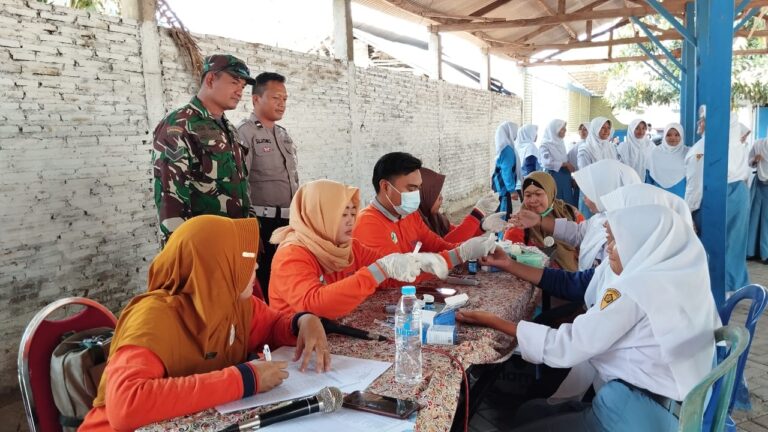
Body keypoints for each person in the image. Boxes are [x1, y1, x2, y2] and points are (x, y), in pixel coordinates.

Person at [458, 205, 719, 431]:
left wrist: (494, 321)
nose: (609, 251)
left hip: (636, 413)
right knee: (531, 412)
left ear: (642, 244)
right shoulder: (676, 278)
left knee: (528, 419)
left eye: (617, 242)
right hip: (669, 407)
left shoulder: (637, 288)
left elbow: (568, 346)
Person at [79, 215, 330, 431]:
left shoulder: (234, 303)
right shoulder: (152, 318)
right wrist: (243, 380)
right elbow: (126, 406)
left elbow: (274, 326)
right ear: (213, 266)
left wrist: (304, 322)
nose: (254, 264)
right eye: (241, 258)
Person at [268, 180, 447, 319]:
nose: (350, 221)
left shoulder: (349, 247)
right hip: (294, 349)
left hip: (334, 333)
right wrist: (380, 270)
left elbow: (388, 271)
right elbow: (314, 304)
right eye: (342, 214)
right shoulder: (291, 254)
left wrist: (418, 263)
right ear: (318, 215)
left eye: (353, 214)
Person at [152, 54, 254, 242]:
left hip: (238, 239)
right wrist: (182, 254)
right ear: (210, 79)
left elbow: (241, 183)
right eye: (234, 82)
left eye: (243, 87)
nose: (240, 91)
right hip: (205, 245)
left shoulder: (228, 127)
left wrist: (252, 233)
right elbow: (170, 197)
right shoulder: (179, 124)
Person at [353, 152, 498, 283]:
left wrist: (470, 250)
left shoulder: (410, 215)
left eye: (419, 188)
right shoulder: (368, 223)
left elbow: (437, 245)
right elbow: (392, 278)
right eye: (411, 188)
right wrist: (458, 255)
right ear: (385, 187)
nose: (416, 194)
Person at [509, 160, 641, 271]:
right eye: (528, 195)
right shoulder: (600, 218)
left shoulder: (622, 230)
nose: (585, 199)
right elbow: (578, 232)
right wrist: (539, 220)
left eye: (590, 193)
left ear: (607, 191)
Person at [238, 72, 298, 300]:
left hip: (287, 222)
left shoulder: (282, 134)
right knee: (266, 280)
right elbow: (240, 184)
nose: (282, 104)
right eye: (276, 98)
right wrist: (251, 228)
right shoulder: (244, 133)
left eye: (285, 99)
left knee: (287, 278)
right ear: (256, 99)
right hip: (262, 224)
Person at [686, 110, 751, 293]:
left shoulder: (704, 147)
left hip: (715, 199)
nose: (699, 122)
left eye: (704, 120)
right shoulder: (735, 145)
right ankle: (732, 285)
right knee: (734, 244)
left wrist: (689, 210)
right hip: (739, 196)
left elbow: (695, 183)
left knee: (713, 246)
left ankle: (717, 288)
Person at [504, 172, 583, 271]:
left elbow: (587, 245)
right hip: (536, 280)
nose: (533, 200)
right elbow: (509, 258)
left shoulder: (570, 214)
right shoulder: (518, 223)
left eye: (538, 194)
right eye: (528, 195)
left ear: (551, 193)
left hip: (575, 279)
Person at [419, 168, 507, 243]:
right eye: (435, 193)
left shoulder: (434, 218)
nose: (441, 197)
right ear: (423, 194)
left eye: (440, 192)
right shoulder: (416, 223)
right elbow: (444, 246)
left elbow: (456, 234)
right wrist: (477, 213)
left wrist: (482, 226)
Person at [577, 117, 618, 218]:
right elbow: (584, 175)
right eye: (602, 127)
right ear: (595, 129)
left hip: (608, 193)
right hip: (590, 194)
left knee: (604, 227)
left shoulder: (610, 147)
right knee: (589, 226)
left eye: (608, 128)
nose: (606, 131)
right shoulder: (585, 149)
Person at [539, 119, 577, 206]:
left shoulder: (560, 142)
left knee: (567, 200)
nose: (565, 131)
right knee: (556, 200)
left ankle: (567, 219)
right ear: (554, 129)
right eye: (562, 128)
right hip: (554, 175)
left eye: (565, 128)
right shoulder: (545, 144)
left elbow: (564, 158)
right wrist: (565, 164)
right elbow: (546, 162)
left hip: (565, 176)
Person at [646, 123, 688, 198]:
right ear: (664, 135)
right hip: (658, 197)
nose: (673, 138)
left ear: (681, 136)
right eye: (669, 135)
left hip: (682, 197)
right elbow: (648, 178)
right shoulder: (655, 153)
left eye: (677, 135)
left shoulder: (688, 153)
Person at [492, 121, 522, 215]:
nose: (516, 135)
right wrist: (512, 190)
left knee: (502, 209)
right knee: (503, 212)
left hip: (501, 184)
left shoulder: (504, 148)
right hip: (504, 187)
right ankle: (501, 230)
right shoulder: (507, 150)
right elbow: (506, 171)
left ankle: (501, 229)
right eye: (515, 131)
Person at [748, 130, 768, 262]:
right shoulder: (758, 143)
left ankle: (765, 253)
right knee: (754, 216)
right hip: (759, 184)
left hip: (762, 184)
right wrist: (755, 160)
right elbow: (749, 162)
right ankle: (751, 251)